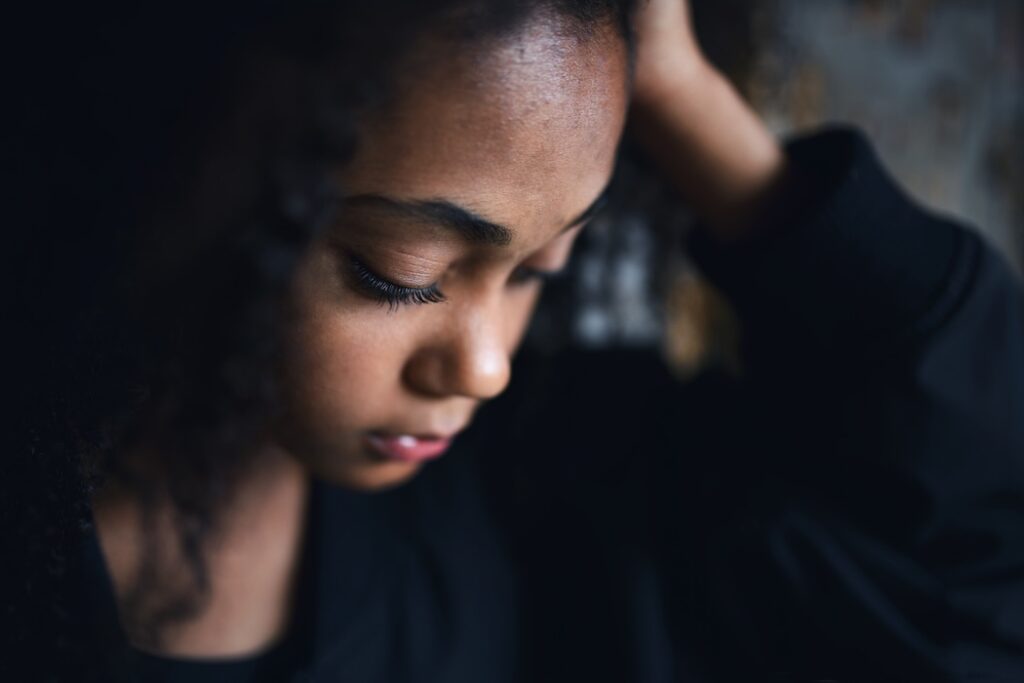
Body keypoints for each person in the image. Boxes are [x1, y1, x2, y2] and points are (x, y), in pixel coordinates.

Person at [4, 0, 1022, 681]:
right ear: (201, 192)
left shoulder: (536, 494)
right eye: (396, 274)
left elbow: (976, 571)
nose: (482, 364)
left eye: (539, 270)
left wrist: (677, 92)